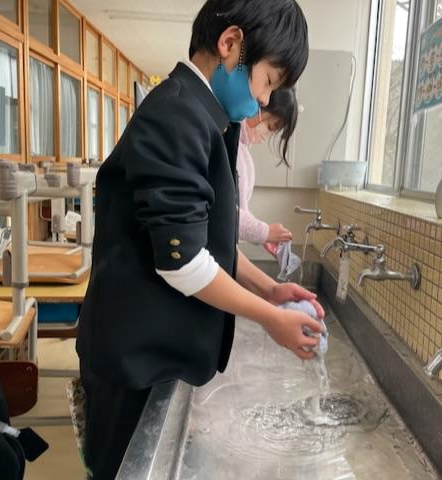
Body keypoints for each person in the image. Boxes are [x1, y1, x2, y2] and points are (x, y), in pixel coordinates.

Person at [75, 1, 324, 478]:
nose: (264, 101)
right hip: (132, 359)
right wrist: (270, 318)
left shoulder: (207, 119)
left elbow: (210, 240)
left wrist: (269, 289)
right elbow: (184, 261)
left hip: (153, 352)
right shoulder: (176, 114)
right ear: (230, 44)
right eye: (267, 81)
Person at [237, 88, 298, 249]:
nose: (267, 134)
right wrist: (265, 232)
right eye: (271, 127)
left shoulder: (241, 149)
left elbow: (239, 211)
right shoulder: (230, 143)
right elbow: (223, 212)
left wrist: (266, 236)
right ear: (260, 105)